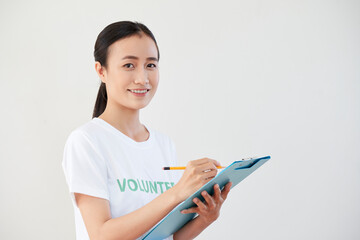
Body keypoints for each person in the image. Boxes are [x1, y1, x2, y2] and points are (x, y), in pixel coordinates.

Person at [62, 20, 232, 240]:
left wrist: (206, 218)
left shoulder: (164, 144)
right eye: (129, 65)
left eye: (151, 65)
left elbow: (170, 236)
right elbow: (101, 235)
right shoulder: (87, 141)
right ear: (101, 71)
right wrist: (177, 193)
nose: (142, 78)